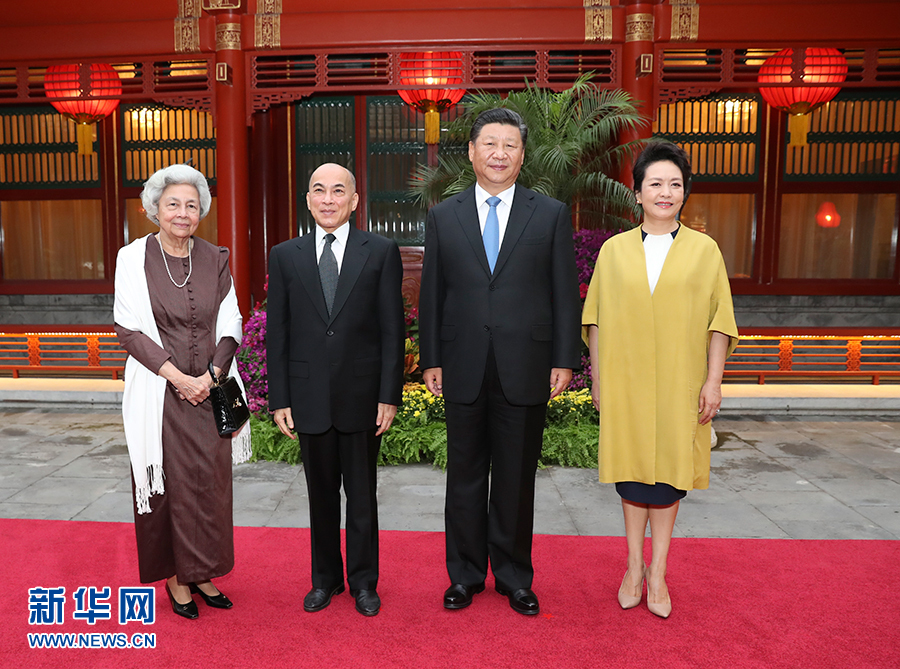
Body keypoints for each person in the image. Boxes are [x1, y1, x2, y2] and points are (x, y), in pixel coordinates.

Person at [419, 108, 582, 616]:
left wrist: (564, 358)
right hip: (462, 362)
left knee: (515, 477)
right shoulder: (444, 215)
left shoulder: (549, 213)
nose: (499, 153)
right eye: (489, 143)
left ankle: (514, 577)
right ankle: (464, 576)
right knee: (464, 476)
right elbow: (432, 295)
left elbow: (564, 293)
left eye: (510, 145)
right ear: (471, 152)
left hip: (526, 363)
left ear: (522, 155)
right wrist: (431, 358)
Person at [582, 141, 739, 618]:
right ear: (638, 193)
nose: (665, 192)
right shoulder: (613, 251)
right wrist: (598, 380)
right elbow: (595, 320)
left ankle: (659, 572)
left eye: (674, 184)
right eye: (655, 183)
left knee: (669, 479)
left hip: (679, 381)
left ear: (684, 192)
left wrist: (713, 381)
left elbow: (719, 322)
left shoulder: (705, 251)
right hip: (626, 381)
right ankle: (633, 567)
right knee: (631, 476)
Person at [267, 163, 404, 617]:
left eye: (338, 191)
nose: (328, 199)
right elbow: (278, 333)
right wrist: (280, 398)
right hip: (308, 397)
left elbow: (392, 330)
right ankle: (324, 580)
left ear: (354, 200)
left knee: (362, 497)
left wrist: (389, 395)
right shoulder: (285, 255)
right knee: (320, 496)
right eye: (319, 191)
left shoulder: (380, 251)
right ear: (308, 200)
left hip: (362, 397)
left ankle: (364, 583)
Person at [114, 164, 250, 621]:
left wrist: (211, 375)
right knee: (170, 488)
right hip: (161, 392)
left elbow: (232, 320)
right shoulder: (132, 259)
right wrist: (178, 377)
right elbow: (128, 329)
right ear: (154, 208)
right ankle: (177, 577)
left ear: (201, 212)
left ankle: (202, 571)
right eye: (173, 204)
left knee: (209, 486)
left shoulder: (215, 257)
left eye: (192, 205)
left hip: (209, 392)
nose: (182, 213)